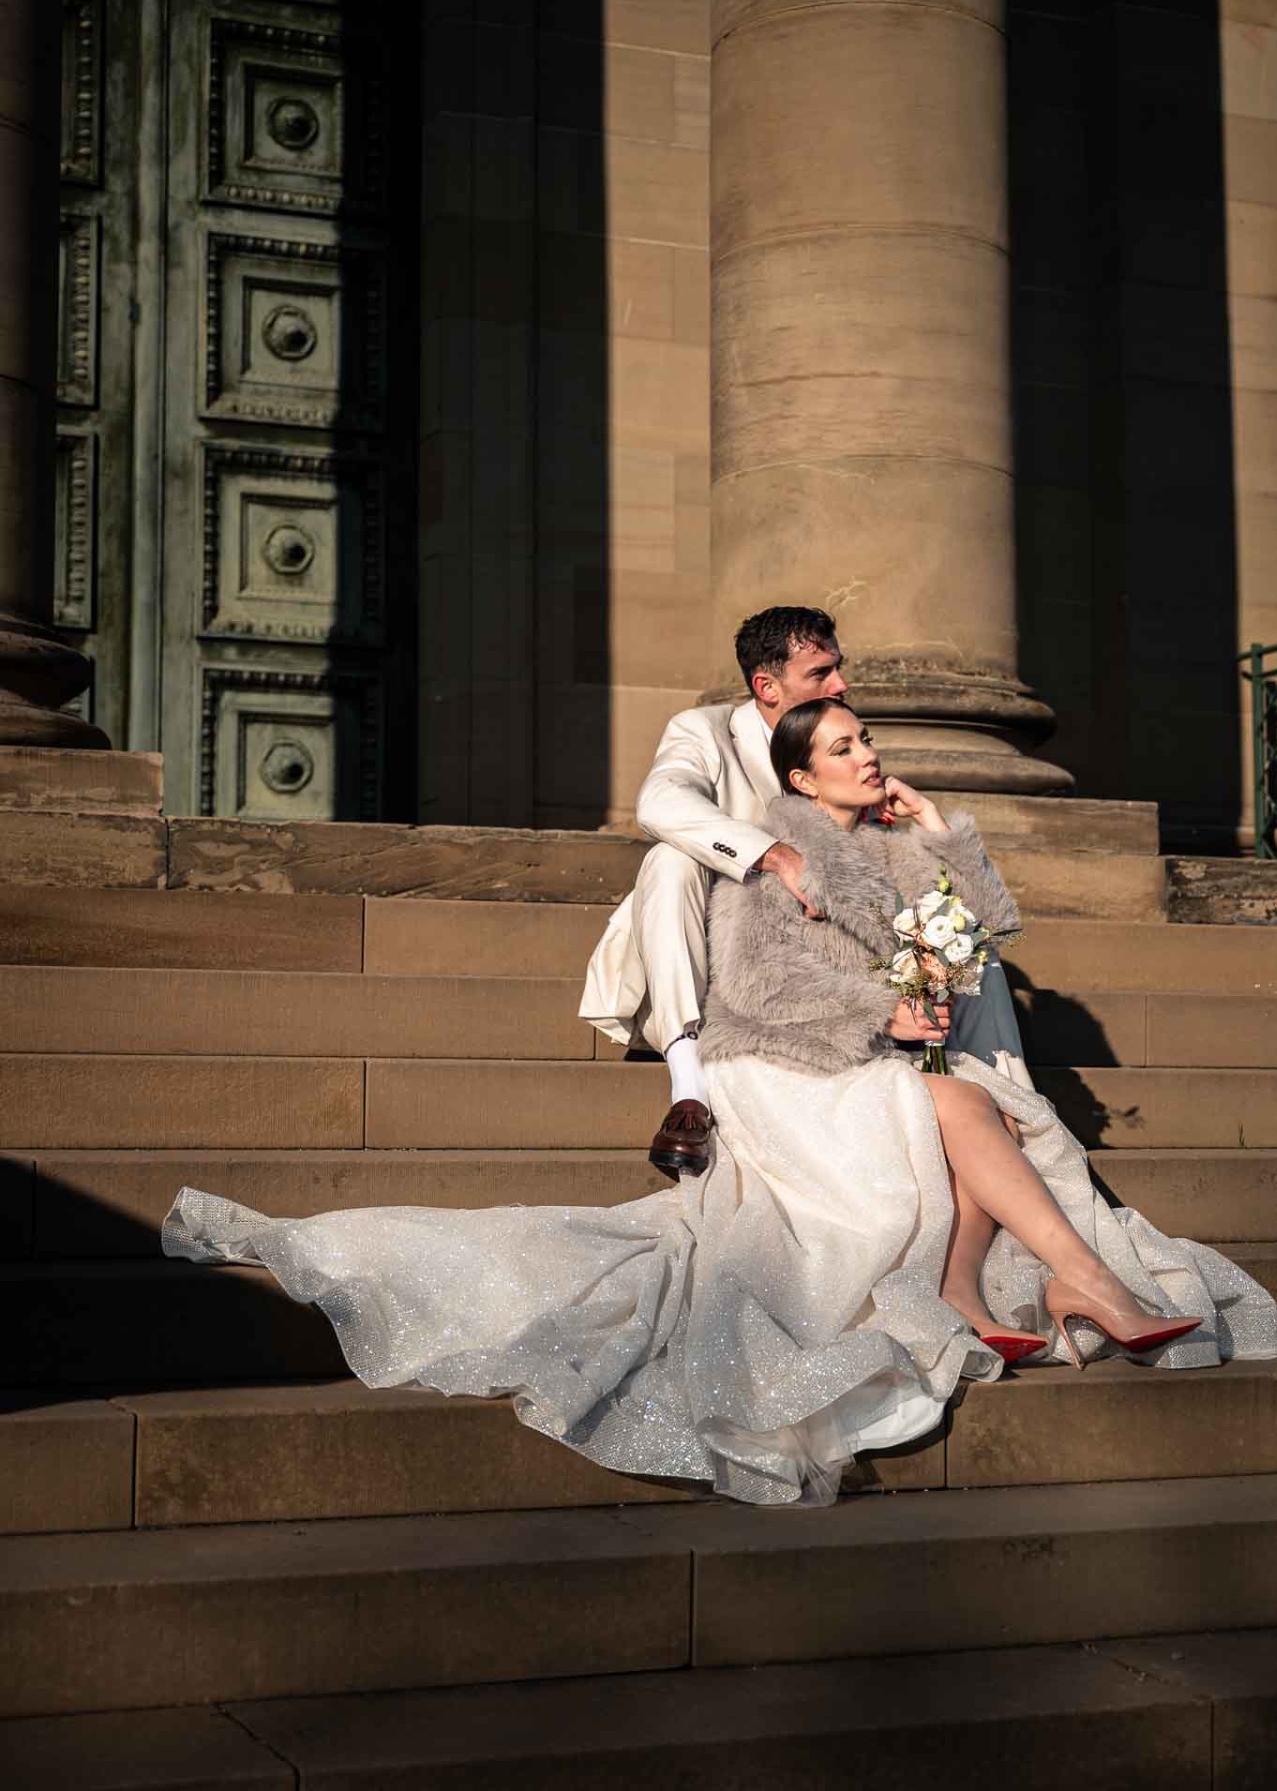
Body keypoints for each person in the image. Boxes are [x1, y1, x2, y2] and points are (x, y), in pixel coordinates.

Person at [161, 696, 1277, 1507]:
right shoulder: (774, 859)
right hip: (783, 1068)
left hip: (871, 1063)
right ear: (801, 778)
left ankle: (984, 1287)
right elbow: (753, 999)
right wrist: (879, 1018)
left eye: (867, 741)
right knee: (956, 1108)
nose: (869, 755)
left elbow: (984, 931)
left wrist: (943, 836)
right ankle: (1077, 1284)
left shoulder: (896, 850)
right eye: (844, 747)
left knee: (962, 1102)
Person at [580, 606, 1030, 1183]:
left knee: (971, 946)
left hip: (819, 965)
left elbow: (986, 918)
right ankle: (688, 1089)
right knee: (670, 859)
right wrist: (774, 855)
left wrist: (928, 825)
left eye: (838, 668)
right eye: (820, 673)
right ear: (767, 686)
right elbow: (658, 804)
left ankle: (1012, 1093)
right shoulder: (703, 732)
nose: (841, 684)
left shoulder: (844, 747)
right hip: (720, 959)